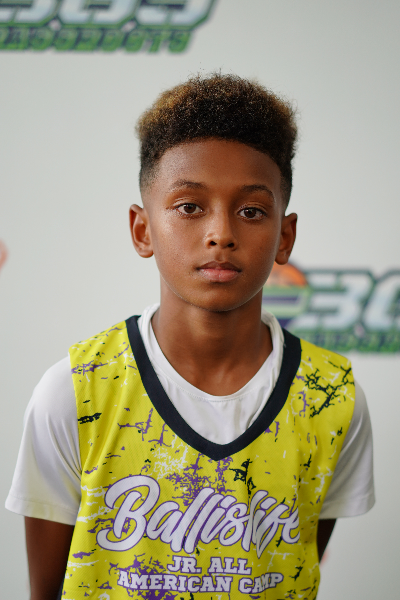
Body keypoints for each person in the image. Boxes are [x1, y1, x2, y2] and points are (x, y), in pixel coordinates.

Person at [6, 73, 374, 600]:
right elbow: (46, 591)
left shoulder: (331, 398)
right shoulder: (76, 391)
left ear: (285, 235)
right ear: (142, 230)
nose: (221, 233)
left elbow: (294, 571)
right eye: (189, 207)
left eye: (251, 211)